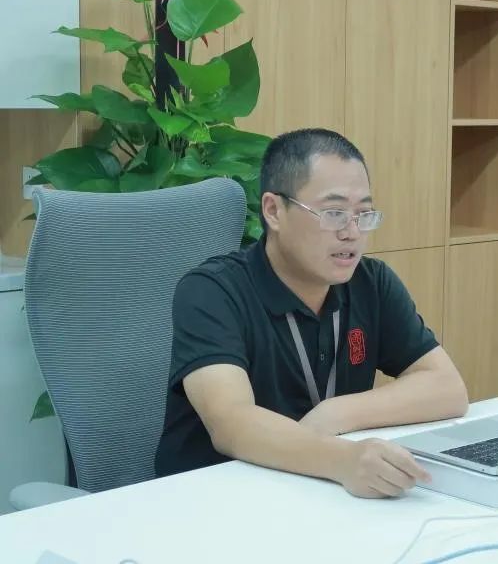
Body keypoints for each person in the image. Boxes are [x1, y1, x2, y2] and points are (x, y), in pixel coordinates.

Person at [155, 128, 469, 498]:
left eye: (363, 214)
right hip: (215, 498)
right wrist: (343, 461)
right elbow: (232, 423)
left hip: (317, 492)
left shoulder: (371, 283)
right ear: (274, 211)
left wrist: (338, 413)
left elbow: (447, 388)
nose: (352, 233)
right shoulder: (212, 292)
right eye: (334, 214)